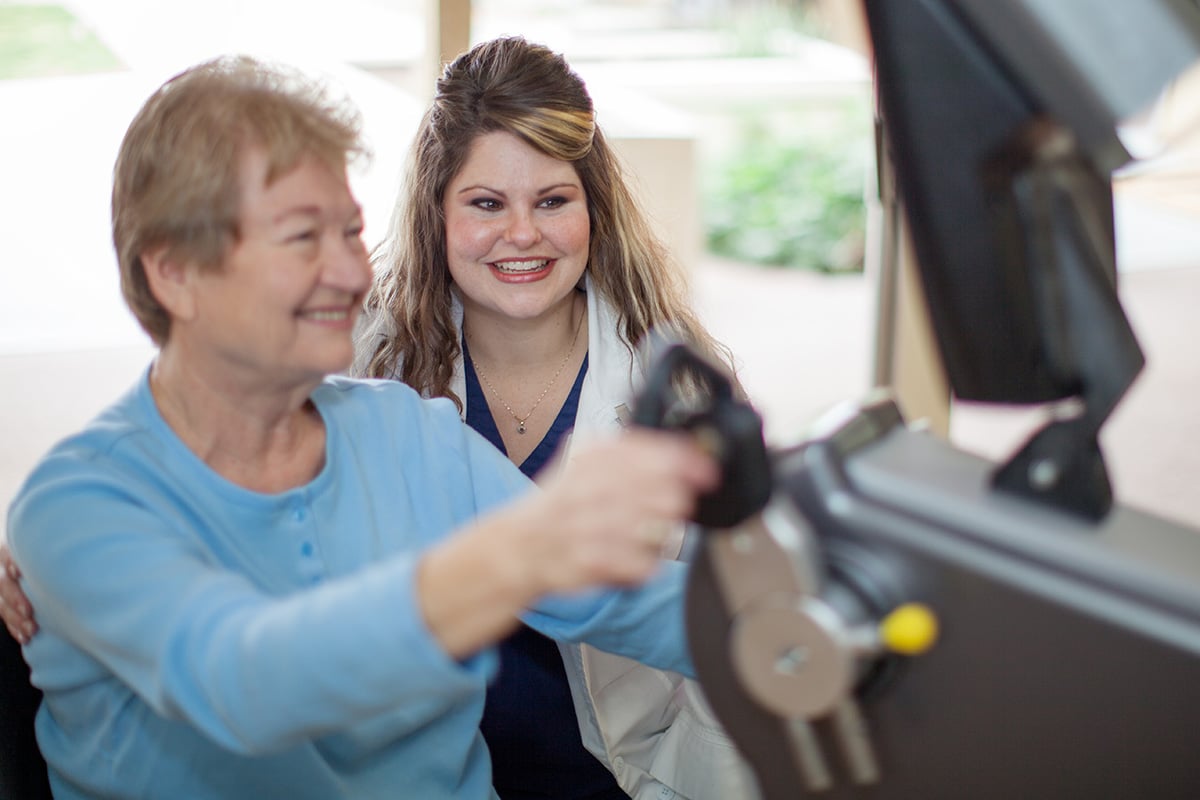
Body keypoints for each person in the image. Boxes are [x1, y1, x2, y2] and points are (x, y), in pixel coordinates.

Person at [2, 54, 720, 800]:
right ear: (173, 273)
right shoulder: (79, 506)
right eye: (303, 238)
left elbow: (628, 600)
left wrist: (821, 604)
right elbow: (247, 684)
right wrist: (519, 551)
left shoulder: (408, 433)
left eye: (349, 233)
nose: (351, 273)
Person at [354, 36, 755, 800]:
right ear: (435, 212)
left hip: (613, 777)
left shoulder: (678, 387)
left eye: (552, 200)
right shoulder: (364, 363)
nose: (523, 235)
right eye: (485, 203)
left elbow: (728, 616)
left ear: (591, 206)